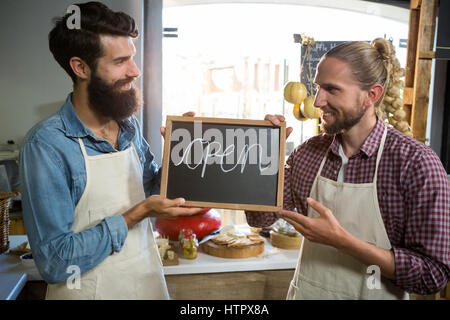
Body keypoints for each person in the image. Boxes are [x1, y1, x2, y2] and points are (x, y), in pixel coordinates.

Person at [19, 2, 203, 300]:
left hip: (145, 286)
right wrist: (136, 215)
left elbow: (151, 194)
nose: (135, 71)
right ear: (80, 68)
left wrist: (179, 158)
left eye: (132, 58)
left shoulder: (128, 127)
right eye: (120, 62)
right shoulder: (46, 145)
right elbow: (55, 262)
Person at [247, 38, 450, 299]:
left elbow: (432, 276)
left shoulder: (416, 164)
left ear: (371, 95)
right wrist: (263, 157)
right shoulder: (308, 154)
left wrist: (342, 242)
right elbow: (260, 219)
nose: (318, 101)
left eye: (332, 90)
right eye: (318, 87)